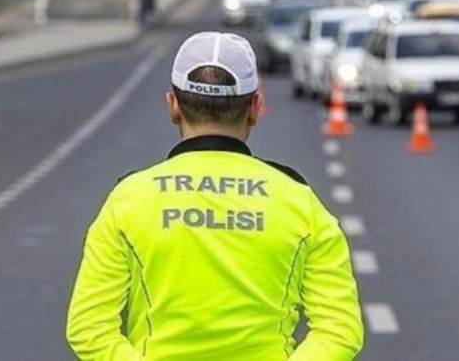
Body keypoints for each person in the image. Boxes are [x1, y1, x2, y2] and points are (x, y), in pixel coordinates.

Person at [66, 32, 364, 360]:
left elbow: (88, 327)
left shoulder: (129, 199)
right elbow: (340, 329)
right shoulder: (299, 201)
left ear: (173, 106)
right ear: (255, 107)